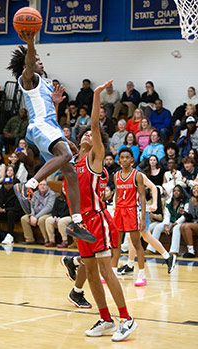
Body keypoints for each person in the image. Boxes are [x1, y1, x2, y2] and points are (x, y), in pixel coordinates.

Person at [64, 82, 137, 342]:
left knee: (107, 272)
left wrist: (95, 95)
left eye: (89, 135)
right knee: (92, 274)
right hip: (81, 225)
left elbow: (94, 125)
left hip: (99, 221)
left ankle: (127, 319)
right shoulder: (71, 165)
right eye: (82, 134)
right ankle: (105, 319)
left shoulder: (95, 159)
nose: (86, 135)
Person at [7, 32, 95, 243]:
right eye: (36, 60)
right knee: (64, 155)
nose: (39, 61)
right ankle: (29, 185)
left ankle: (76, 221)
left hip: (50, 127)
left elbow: (52, 117)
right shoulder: (28, 80)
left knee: (71, 173)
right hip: (40, 127)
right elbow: (28, 64)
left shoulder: (46, 84)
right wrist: (30, 43)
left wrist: (55, 102)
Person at [117, 173, 176, 275]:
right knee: (131, 238)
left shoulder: (138, 175)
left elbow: (153, 187)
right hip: (130, 209)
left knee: (145, 237)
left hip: (140, 209)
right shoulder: (119, 175)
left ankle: (168, 256)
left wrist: (155, 204)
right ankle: (130, 265)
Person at [112, 147, 147, 286]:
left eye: (127, 157)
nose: (125, 160)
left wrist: (143, 218)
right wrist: (115, 209)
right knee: (116, 244)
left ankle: (142, 275)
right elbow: (117, 194)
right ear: (119, 159)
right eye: (122, 157)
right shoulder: (116, 176)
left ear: (132, 159)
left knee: (136, 243)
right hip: (119, 211)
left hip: (131, 211)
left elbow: (143, 197)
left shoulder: (137, 175)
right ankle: (113, 272)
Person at [146, 185, 188, 255]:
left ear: (181, 192)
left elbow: (184, 217)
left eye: (178, 191)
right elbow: (167, 216)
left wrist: (173, 225)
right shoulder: (169, 202)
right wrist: (166, 225)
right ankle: (151, 249)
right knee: (158, 227)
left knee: (176, 228)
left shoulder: (185, 202)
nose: (176, 192)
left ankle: (174, 251)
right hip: (170, 222)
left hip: (180, 223)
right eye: (174, 191)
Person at [0, 177, 24, 244]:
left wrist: (4, 210)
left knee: (10, 213)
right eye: (6, 184)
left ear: (12, 184)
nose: (7, 185)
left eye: (9, 183)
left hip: (13, 213)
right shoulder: (1, 192)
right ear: (3, 185)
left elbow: (17, 208)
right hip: (2, 212)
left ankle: (10, 235)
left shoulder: (16, 192)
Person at [20, 179, 56, 244]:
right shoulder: (36, 193)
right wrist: (32, 215)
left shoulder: (52, 194)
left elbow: (49, 207)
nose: (42, 186)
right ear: (38, 186)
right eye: (40, 185)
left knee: (41, 220)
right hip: (36, 213)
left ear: (47, 186)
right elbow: (32, 206)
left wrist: (36, 217)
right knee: (24, 218)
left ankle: (47, 240)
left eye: (44, 185)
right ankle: (29, 239)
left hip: (47, 213)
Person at [45, 183, 71, 248]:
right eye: (63, 187)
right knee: (48, 220)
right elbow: (54, 210)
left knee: (62, 221)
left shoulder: (72, 199)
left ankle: (65, 241)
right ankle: (52, 241)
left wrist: (60, 218)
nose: (64, 189)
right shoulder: (58, 198)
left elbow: (69, 211)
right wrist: (55, 217)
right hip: (58, 217)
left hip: (69, 216)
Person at [180, 184, 198, 258]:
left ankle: (191, 251)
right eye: (194, 189)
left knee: (187, 226)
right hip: (195, 222)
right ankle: (190, 250)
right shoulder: (191, 200)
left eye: (197, 188)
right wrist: (185, 213)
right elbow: (191, 217)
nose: (195, 190)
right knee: (182, 226)